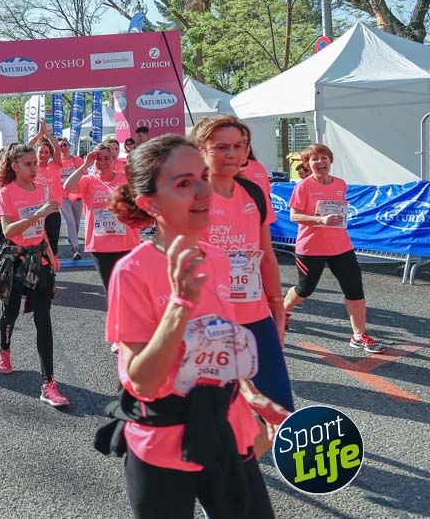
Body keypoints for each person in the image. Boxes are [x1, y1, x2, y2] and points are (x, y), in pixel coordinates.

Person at [98, 134, 288, 519]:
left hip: (226, 426)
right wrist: (179, 304)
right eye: (183, 183)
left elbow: (222, 346)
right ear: (150, 203)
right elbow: (143, 383)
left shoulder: (216, 258)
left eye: (202, 176)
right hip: (163, 442)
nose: (203, 190)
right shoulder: (132, 272)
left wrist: (250, 395)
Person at [191, 116, 294, 457]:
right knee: (220, 416)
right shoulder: (190, 194)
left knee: (278, 412)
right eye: (221, 146)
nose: (231, 154)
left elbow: (265, 255)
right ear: (201, 149)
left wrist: (277, 307)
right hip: (208, 323)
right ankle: (226, 488)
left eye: (239, 146)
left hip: (255, 317)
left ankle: (237, 475)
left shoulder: (253, 190)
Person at [0, 143, 69, 408]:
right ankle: (4, 349)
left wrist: (51, 255)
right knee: (10, 312)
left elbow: (41, 230)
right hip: (15, 261)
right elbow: (8, 231)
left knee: (44, 319)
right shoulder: (7, 193)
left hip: (39, 259)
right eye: (28, 164)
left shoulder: (42, 189)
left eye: (35, 164)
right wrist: (37, 215)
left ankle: (49, 383)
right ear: (15, 165)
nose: (33, 168)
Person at [282, 143, 385, 352]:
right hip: (310, 247)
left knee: (354, 288)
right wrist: (321, 220)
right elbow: (294, 216)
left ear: (330, 160)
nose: (320, 162)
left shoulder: (340, 183)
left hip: (341, 245)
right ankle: (282, 312)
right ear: (307, 164)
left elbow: (340, 209)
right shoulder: (303, 187)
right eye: (314, 159)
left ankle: (358, 335)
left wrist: (340, 216)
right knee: (305, 289)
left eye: (324, 158)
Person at [63, 143, 140, 291]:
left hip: (126, 243)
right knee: (111, 289)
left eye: (107, 158)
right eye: (98, 159)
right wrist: (85, 165)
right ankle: (116, 315)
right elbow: (67, 186)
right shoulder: (88, 180)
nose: (103, 162)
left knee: (129, 290)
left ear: (114, 160)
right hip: (101, 246)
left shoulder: (126, 179)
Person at [27, 122, 64, 255]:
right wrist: (39, 135)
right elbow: (26, 148)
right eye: (41, 152)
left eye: (46, 152)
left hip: (52, 210)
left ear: (50, 155)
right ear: (36, 153)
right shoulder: (31, 168)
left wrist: (47, 134)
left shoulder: (55, 165)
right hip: (34, 210)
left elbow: (58, 149)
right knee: (36, 244)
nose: (43, 154)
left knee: (52, 244)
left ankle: (51, 268)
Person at [57, 139, 85, 260]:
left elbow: (84, 175)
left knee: (77, 222)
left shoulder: (77, 160)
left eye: (65, 145)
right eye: (60, 146)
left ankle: (72, 238)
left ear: (69, 146)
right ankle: (75, 248)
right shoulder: (56, 162)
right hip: (63, 197)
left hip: (77, 195)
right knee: (71, 222)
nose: (63, 148)